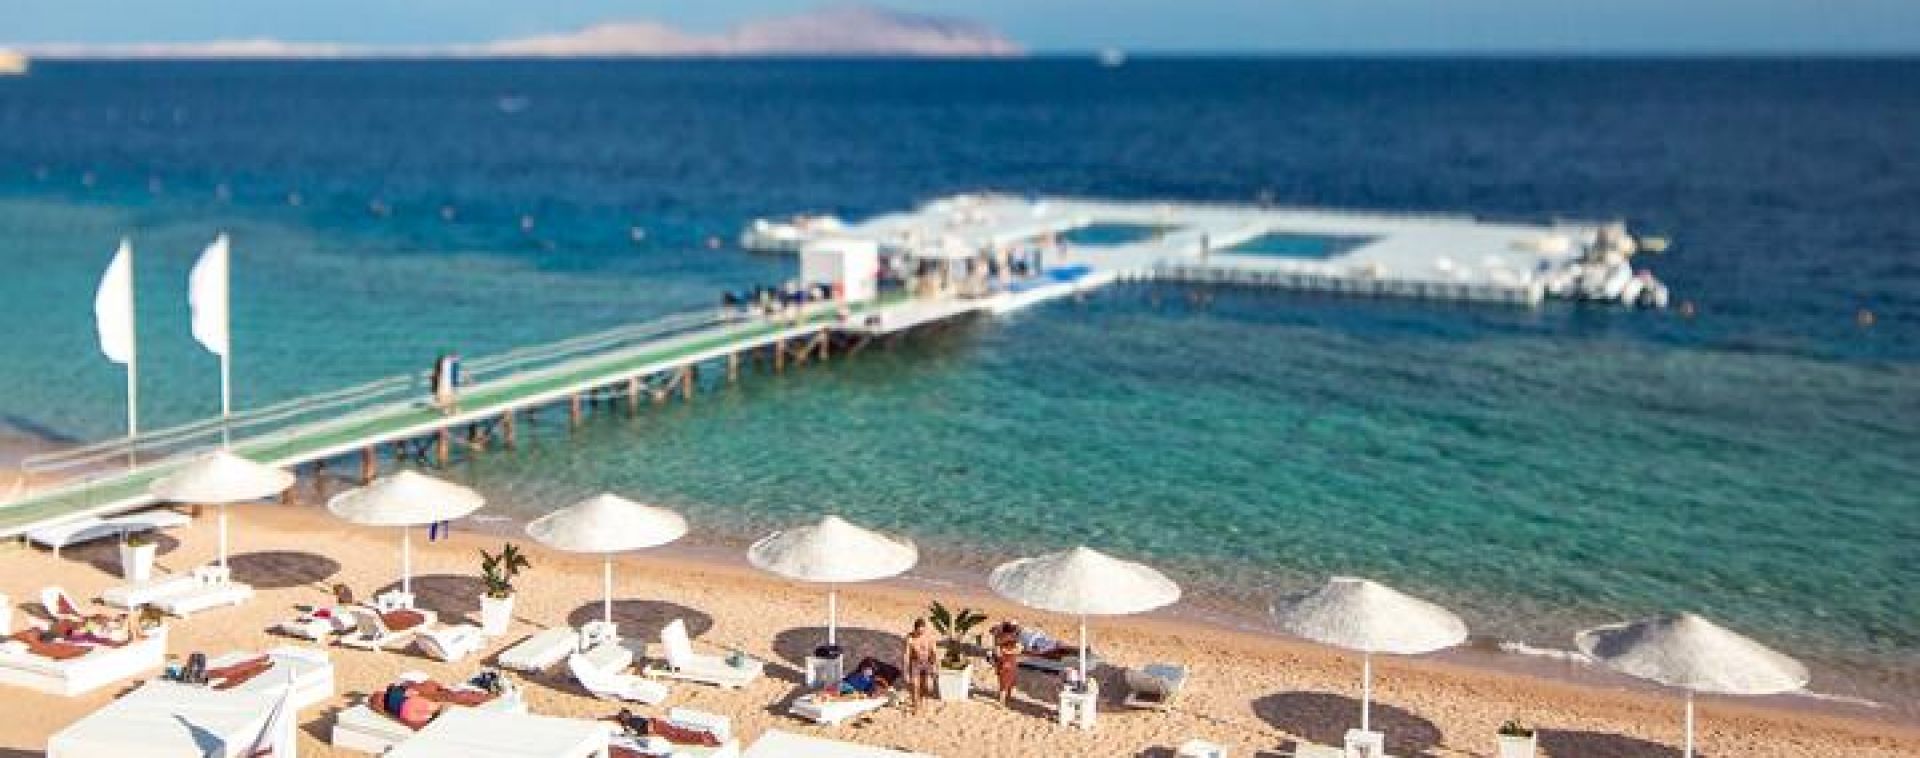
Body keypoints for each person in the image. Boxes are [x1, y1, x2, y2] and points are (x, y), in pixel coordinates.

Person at [903, 617, 938, 711]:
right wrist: (906, 671)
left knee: (926, 686)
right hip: (915, 663)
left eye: (922, 631)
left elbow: (934, 652)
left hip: (927, 662)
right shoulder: (910, 638)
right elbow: (906, 655)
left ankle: (922, 701)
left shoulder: (929, 637)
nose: (920, 634)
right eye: (918, 632)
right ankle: (916, 705)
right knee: (914, 685)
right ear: (915, 629)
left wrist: (934, 666)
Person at [992, 620, 1022, 707]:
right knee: (1007, 682)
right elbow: (1018, 650)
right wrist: (1009, 652)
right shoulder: (1013, 638)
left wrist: (1004, 652)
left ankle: (1004, 699)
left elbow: (997, 652)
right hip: (1009, 662)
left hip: (1005, 662)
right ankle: (1003, 701)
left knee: (1004, 682)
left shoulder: (1000, 637)